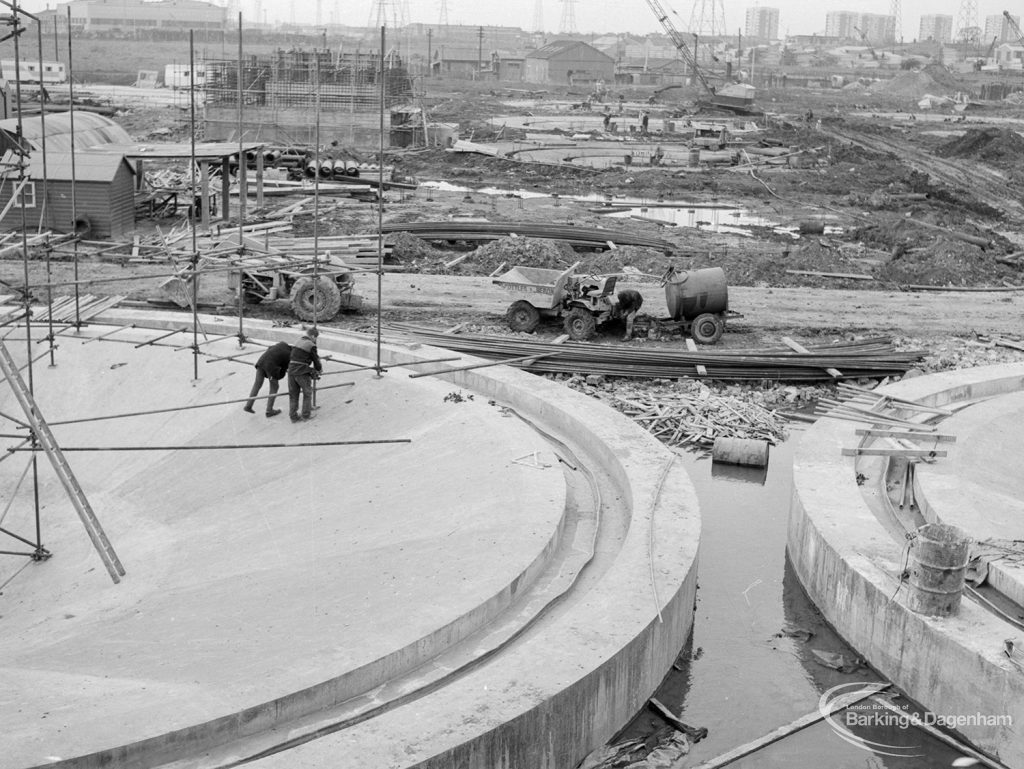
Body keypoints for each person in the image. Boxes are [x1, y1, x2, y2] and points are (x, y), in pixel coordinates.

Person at [243, 341, 291, 417]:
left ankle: (248, 405)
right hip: (270, 366)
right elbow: (283, 371)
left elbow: (269, 348)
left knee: (257, 384)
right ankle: (269, 410)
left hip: (261, 361)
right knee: (274, 387)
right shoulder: (289, 355)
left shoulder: (281, 344)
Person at [287, 327, 323, 423]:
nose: (315, 340)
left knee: (293, 395)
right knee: (307, 393)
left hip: (290, 371)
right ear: (312, 336)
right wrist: (319, 369)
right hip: (301, 372)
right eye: (316, 338)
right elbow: (316, 360)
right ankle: (306, 415)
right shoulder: (311, 345)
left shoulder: (298, 341)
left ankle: (293, 417)